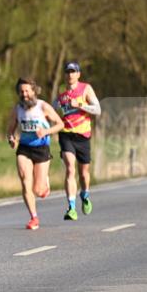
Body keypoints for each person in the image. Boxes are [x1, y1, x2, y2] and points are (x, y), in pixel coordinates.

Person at [6, 77, 64, 230]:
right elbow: (10, 129)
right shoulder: (17, 109)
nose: (24, 94)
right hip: (24, 148)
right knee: (25, 180)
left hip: (41, 148)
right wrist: (11, 139)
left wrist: (46, 131)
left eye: (26, 91)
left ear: (33, 91)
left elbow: (60, 124)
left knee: (38, 190)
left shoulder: (43, 107)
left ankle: (44, 182)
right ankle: (34, 217)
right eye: (21, 91)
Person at [56, 61, 101, 220]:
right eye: (67, 72)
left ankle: (85, 194)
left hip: (83, 136)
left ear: (78, 74)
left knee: (83, 173)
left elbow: (97, 109)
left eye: (73, 71)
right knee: (70, 168)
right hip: (66, 134)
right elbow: (55, 109)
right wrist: (57, 111)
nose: (70, 74)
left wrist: (80, 105)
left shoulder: (86, 88)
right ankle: (71, 208)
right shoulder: (61, 90)